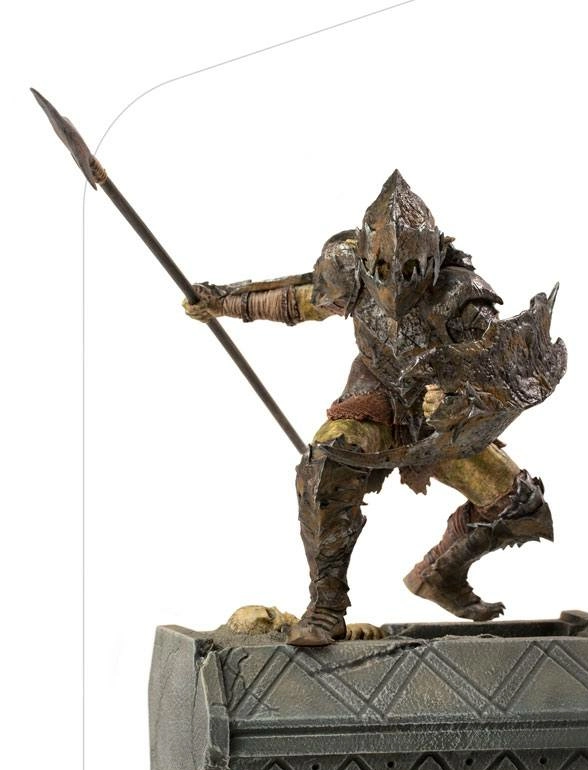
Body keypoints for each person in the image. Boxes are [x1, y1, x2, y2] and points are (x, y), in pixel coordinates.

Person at [184, 170, 565, 646]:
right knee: (325, 468)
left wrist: (459, 401)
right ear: (365, 259)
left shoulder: (463, 300)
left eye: (409, 272)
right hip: (375, 398)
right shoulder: (347, 271)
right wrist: (222, 303)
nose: (394, 286)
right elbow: (298, 301)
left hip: (439, 423)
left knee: (521, 507)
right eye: (382, 270)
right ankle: (326, 607)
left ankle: (440, 574)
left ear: (432, 261)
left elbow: (496, 374)